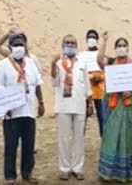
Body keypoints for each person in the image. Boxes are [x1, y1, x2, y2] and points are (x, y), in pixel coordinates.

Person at [97, 32, 132, 182]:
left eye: (124, 45)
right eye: (119, 46)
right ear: (115, 49)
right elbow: (99, 60)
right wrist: (104, 41)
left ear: (128, 48)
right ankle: (107, 172)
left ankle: (125, 173)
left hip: (128, 107)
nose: (121, 48)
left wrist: (131, 90)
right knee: (111, 136)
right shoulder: (112, 62)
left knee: (127, 137)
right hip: (113, 107)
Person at [0, 33, 45, 185]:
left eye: (21, 45)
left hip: (29, 111)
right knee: (11, 145)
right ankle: (10, 177)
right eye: (15, 45)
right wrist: (3, 107)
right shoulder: (3, 65)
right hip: (11, 114)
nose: (19, 48)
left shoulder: (31, 63)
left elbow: (37, 84)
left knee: (28, 145)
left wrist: (41, 102)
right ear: (10, 47)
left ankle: (27, 173)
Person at [51, 34, 93, 180]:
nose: (70, 45)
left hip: (80, 105)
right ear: (62, 45)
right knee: (63, 138)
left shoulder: (82, 62)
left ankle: (77, 167)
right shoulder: (58, 63)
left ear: (76, 45)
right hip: (63, 106)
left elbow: (86, 84)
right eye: (67, 43)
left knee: (79, 138)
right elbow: (54, 83)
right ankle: (64, 168)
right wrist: (52, 64)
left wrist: (90, 103)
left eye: (73, 43)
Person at [85, 29, 105, 136]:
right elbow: (81, 72)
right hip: (86, 91)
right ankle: (80, 141)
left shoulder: (101, 55)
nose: (91, 39)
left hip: (99, 91)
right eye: (89, 37)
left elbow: (106, 71)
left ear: (97, 40)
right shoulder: (83, 56)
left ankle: (104, 140)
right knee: (83, 118)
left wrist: (100, 77)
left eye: (93, 37)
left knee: (102, 117)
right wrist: (92, 76)